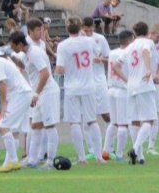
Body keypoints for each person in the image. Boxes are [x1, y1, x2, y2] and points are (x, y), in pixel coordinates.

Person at [55, 17, 104, 165]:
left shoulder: (63, 45)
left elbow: (60, 69)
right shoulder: (89, 41)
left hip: (72, 87)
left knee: (75, 122)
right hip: (89, 85)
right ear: (80, 28)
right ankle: (99, 156)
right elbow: (99, 52)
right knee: (92, 120)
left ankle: (82, 157)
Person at [12, 22, 61, 169]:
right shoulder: (27, 54)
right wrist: (13, 59)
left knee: (50, 126)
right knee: (35, 126)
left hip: (47, 92)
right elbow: (28, 68)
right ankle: (32, 159)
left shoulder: (34, 53)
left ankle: (51, 161)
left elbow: (45, 74)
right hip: (39, 93)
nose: (14, 49)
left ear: (20, 44)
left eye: (14, 46)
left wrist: (36, 93)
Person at [120, 21, 156, 165]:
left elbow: (117, 65)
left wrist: (127, 79)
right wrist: (148, 69)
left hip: (131, 86)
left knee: (134, 120)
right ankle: (135, 148)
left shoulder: (129, 47)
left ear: (134, 33)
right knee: (149, 120)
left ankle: (140, 157)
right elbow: (146, 51)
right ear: (147, 32)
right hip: (144, 85)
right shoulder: (147, 42)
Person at [81, 17, 111, 158]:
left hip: (100, 81)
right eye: (85, 30)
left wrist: (101, 60)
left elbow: (109, 57)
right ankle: (91, 149)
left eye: (90, 30)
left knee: (106, 114)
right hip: (86, 81)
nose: (88, 33)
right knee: (87, 116)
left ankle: (108, 146)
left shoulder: (100, 39)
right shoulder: (78, 41)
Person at [104, 30, 134, 161]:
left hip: (111, 88)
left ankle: (105, 150)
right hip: (122, 89)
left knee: (114, 122)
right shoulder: (127, 53)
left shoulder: (112, 53)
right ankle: (120, 154)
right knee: (123, 124)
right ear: (128, 40)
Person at [146, 23, 159, 155]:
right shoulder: (144, 44)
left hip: (154, 83)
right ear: (151, 33)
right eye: (157, 36)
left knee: (154, 114)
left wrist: (158, 76)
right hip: (143, 82)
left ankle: (151, 146)